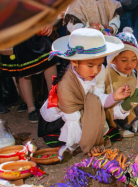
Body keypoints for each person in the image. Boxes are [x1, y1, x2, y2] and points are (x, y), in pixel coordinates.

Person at [38, 28, 132, 156]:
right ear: (74, 62)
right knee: (78, 134)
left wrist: (114, 96)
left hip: (84, 110)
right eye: (90, 65)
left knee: (95, 106)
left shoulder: (99, 71)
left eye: (99, 64)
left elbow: (97, 98)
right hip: (63, 119)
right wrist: (88, 143)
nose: (95, 71)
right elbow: (73, 118)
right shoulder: (66, 84)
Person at [0, 26, 57, 123]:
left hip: (35, 31)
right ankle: (31, 108)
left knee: (49, 62)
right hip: (17, 35)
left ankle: (54, 102)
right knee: (24, 71)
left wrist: (48, 22)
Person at [105, 27, 138, 137]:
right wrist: (126, 105)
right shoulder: (108, 75)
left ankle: (132, 124)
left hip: (129, 110)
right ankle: (121, 128)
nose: (130, 64)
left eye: (133, 59)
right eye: (124, 60)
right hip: (114, 115)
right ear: (113, 59)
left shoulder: (131, 73)